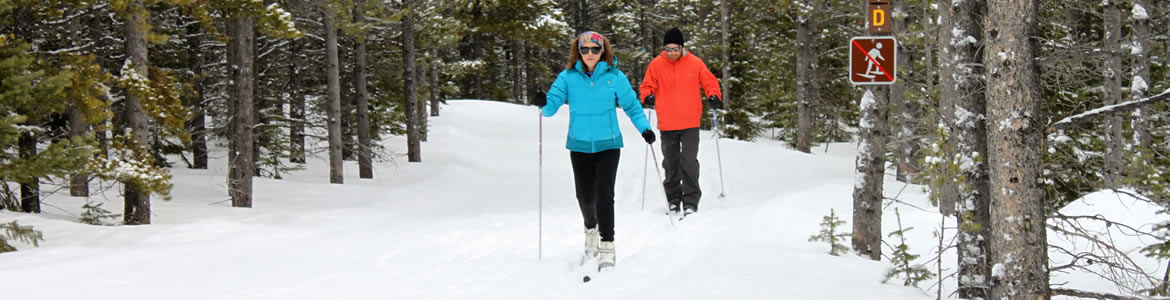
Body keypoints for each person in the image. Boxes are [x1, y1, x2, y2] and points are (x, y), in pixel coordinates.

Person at [533, 31, 655, 270]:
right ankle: (591, 228)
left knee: (604, 195)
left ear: (603, 51)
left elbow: (631, 106)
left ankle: (607, 245)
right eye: (585, 49)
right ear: (578, 51)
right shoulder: (568, 77)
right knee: (585, 196)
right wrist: (542, 102)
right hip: (579, 145)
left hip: (608, 144)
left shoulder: (615, 77)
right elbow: (549, 109)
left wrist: (645, 129)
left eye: (595, 49)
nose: (590, 54)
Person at [639, 27, 723, 217]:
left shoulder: (695, 63)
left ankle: (691, 200)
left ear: (682, 47)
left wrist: (713, 95)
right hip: (667, 123)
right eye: (668, 49)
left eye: (675, 49)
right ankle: (673, 199)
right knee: (670, 162)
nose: (672, 53)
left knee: (689, 161)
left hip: (690, 121)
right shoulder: (656, 65)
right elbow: (647, 85)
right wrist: (648, 96)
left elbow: (709, 81)